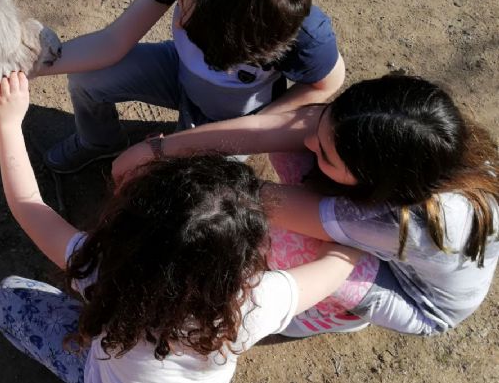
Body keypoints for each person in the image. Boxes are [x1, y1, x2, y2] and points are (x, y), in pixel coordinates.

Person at [0, 72, 364, 383]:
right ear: (244, 254)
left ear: (131, 225)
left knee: (8, 297)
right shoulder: (253, 303)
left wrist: (8, 124)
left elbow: (28, 205)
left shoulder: (103, 270)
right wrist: (368, 221)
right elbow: (338, 264)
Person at [112, 74, 499, 336]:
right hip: (398, 235)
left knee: (282, 238)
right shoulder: (422, 145)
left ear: (376, 182)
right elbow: (284, 127)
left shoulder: (404, 222)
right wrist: (159, 150)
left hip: (415, 299)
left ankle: (324, 314)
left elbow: (256, 201)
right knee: (298, 140)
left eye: (328, 157)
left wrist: (166, 176)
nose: (312, 146)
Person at [34, 0, 345, 174]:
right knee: (87, 78)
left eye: (197, 27)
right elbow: (114, 41)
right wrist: (31, 65)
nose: (179, 23)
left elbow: (327, 82)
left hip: (236, 112)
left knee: (183, 183)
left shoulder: (305, 36)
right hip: (177, 70)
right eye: (183, 7)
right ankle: (100, 142)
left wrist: (252, 128)